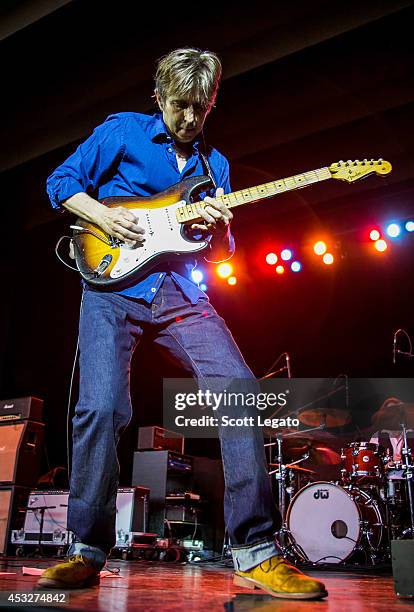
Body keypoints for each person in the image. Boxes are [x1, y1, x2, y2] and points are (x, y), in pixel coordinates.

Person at [39, 47, 327, 599]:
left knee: (241, 390)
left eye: (201, 108)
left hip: (178, 293)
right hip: (110, 287)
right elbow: (61, 182)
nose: (190, 119)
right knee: (101, 406)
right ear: (159, 97)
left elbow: (216, 256)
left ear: (212, 104)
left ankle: (256, 551)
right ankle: (85, 550)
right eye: (179, 106)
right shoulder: (122, 132)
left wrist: (219, 229)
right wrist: (104, 215)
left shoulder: (215, 166)